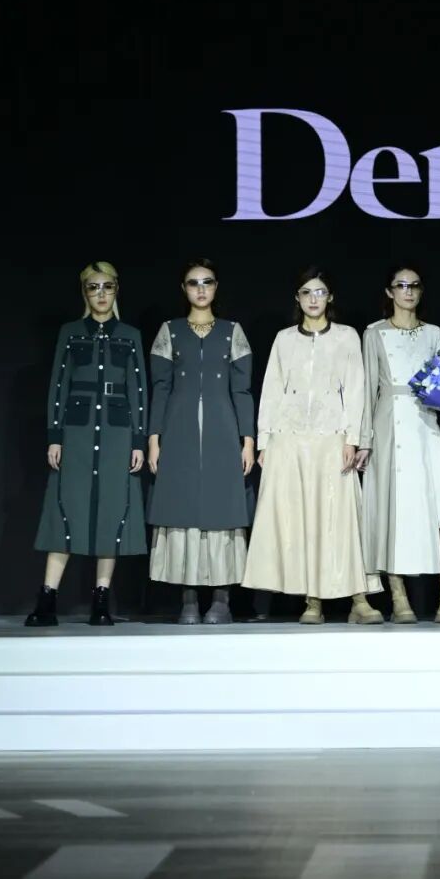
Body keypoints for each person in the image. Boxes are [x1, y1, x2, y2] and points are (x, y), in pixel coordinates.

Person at [242, 267, 382, 626]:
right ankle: (312, 600)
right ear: (298, 298)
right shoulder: (285, 339)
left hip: (331, 436)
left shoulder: (346, 336)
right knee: (301, 518)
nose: (314, 298)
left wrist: (353, 438)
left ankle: (359, 599)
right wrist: (265, 439)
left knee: (340, 517)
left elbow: (355, 389)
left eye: (320, 292)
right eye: (306, 292)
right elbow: (271, 389)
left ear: (330, 297)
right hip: (289, 439)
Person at [24, 260, 147, 629]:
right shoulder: (71, 332)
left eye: (107, 287)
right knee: (65, 509)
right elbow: (58, 385)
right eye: (94, 287)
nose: (101, 294)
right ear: (85, 292)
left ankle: (101, 600)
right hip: (77, 433)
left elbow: (139, 391)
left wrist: (138, 441)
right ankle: (47, 598)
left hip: (117, 433)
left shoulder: (130, 334)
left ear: (116, 290)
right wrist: (55, 436)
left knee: (112, 510)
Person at [146, 259, 255, 626]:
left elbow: (242, 390)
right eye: (193, 283)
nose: (201, 289)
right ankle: (189, 598)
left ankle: (221, 600)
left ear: (216, 286)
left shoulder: (232, 332)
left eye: (207, 282)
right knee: (183, 512)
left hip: (223, 433)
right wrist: (154, 439)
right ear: (184, 289)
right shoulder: (170, 332)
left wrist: (248, 440)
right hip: (179, 434)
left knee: (223, 512)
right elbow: (160, 387)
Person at [357, 265, 440, 624]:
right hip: (389, 426)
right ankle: (398, 596)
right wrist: (364, 439)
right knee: (390, 511)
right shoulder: (374, 333)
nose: (408, 292)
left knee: (438, 511)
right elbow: (367, 389)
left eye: (414, 285)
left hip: (427, 427)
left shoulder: (434, 333)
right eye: (401, 285)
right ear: (390, 292)